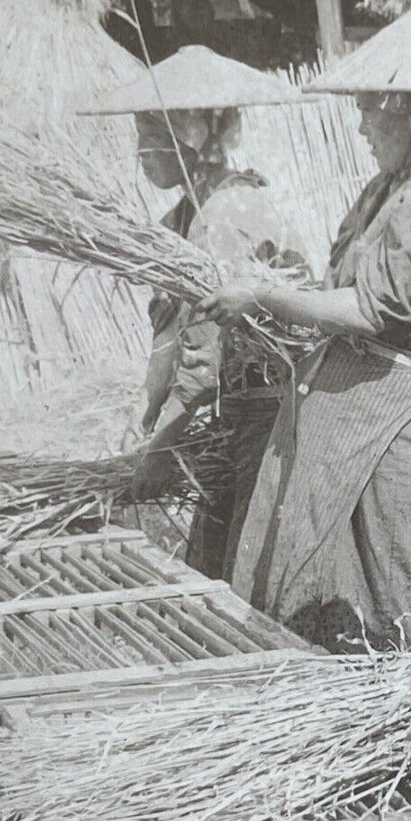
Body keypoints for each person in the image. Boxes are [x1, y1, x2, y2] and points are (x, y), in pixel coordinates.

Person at [202, 6, 411, 649]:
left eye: (367, 109)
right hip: (353, 404)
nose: (358, 126)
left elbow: (372, 309)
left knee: (395, 608)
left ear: (408, 107)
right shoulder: (397, 184)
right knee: (321, 587)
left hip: (392, 423)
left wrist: (266, 296)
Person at [77, 46, 303, 581]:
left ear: (191, 136)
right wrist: (142, 417)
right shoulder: (183, 217)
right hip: (238, 410)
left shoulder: (225, 216)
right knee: (212, 557)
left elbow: (202, 364)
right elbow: (168, 337)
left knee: (241, 566)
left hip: (271, 411)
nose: (140, 150)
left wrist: (158, 450)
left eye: (150, 133)